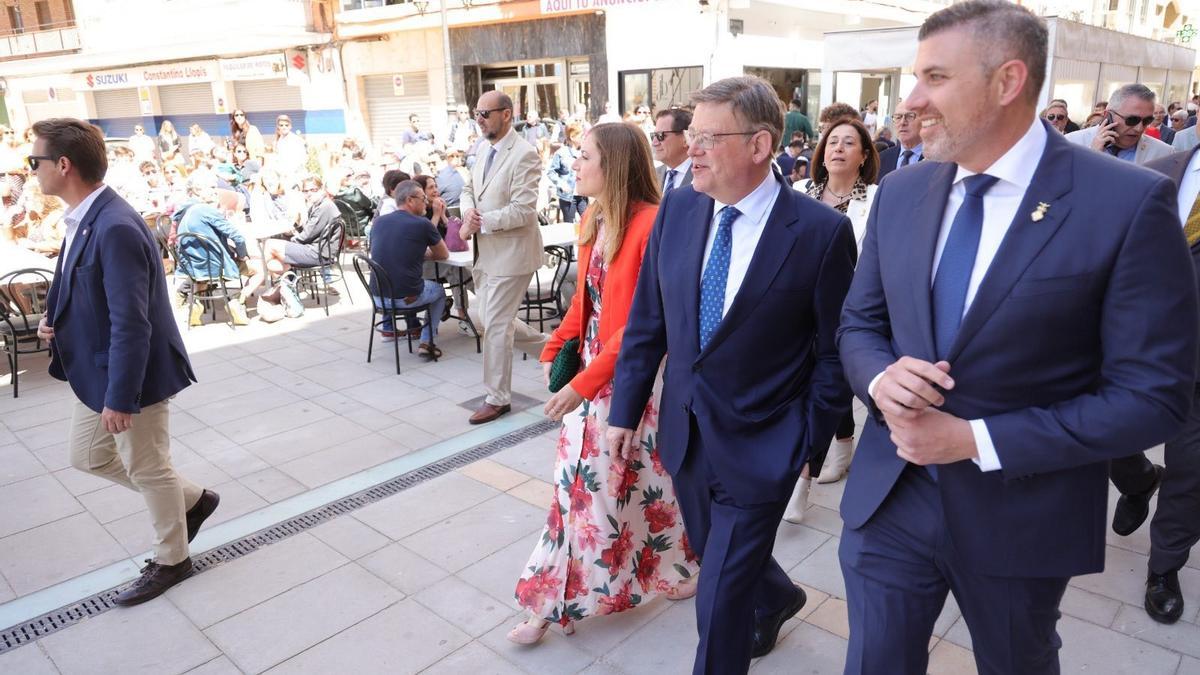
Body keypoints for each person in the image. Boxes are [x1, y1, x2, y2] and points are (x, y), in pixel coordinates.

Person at [836, 2, 1198, 672]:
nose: (912, 100)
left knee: (1017, 659)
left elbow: (1153, 397)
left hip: (1023, 510)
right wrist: (883, 378)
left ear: (1007, 81)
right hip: (892, 497)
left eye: (935, 78)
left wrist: (974, 438)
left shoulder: (1126, 202)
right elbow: (860, 323)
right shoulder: (901, 191)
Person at [608, 76, 856, 674]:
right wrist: (625, 409)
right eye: (689, 134)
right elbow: (649, 321)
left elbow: (835, 352)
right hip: (687, 435)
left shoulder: (820, 234)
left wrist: (810, 442)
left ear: (760, 144)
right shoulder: (680, 210)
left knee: (717, 597)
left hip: (766, 445)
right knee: (715, 551)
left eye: (707, 137)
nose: (688, 148)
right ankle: (779, 596)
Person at [509, 122, 699, 645]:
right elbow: (584, 301)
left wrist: (584, 384)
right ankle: (672, 569)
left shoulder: (650, 224)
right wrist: (558, 346)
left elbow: (642, 326)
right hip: (597, 375)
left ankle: (549, 604)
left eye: (585, 155)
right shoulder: (595, 216)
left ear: (611, 164)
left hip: (629, 381)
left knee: (610, 488)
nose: (575, 163)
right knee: (603, 488)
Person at [33, 118, 221, 606]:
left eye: (36, 161)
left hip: (129, 375)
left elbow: (131, 322)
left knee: (149, 466)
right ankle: (194, 501)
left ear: (64, 165)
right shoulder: (82, 217)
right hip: (95, 369)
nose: (32, 170)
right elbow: (76, 282)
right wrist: (52, 319)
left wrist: (123, 398)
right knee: (88, 455)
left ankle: (171, 559)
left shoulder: (113, 225)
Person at [1103, 145, 1200, 625]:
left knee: (1192, 469)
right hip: (1132, 348)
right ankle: (1138, 479)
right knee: (1099, 436)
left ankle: (1163, 569)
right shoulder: (1158, 172)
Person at [782, 117, 879, 524]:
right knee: (804, 387)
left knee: (831, 380)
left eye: (848, 143)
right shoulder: (800, 191)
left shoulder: (874, 198)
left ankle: (803, 479)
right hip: (798, 307)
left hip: (851, 308)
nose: (837, 148)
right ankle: (837, 446)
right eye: (832, 141)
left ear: (863, 156)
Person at [458, 90, 549, 425]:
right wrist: (468, 213)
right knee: (484, 316)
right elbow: (469, 190)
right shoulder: (484, 149)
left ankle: (498, 398)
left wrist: (481, 222)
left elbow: (524, 210)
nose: (479, 120)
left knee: (495, 325)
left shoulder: (524, 153)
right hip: (485, 253)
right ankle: (553, 349)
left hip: (512, 254)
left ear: (507, 114)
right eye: (476, 113)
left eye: (485, 114)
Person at [369, 180, 449, 357]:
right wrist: (426, 253)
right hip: (405, 298)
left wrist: (418, 252)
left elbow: (386, 251)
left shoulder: (379, 222)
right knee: (440, 292)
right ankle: (427, 341)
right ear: (410, 200)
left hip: (377, 297)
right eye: (423, 198)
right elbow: (443, 254)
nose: (426, 202)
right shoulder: (422, 224)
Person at [172, 174, 252, 326]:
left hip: (193, 265)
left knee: (203, 275)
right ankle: (236, 302)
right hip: (216, 264)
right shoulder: (205, 210)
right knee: (257, 269)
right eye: (211, 188)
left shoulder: (183, 211)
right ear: (197, 190)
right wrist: (243, 255)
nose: (215, 191)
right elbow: (238, 237)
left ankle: (194, 303)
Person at [1065, 83, 1174, 164]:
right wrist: (1091, 157)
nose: (1139, 128)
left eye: (1147, 121)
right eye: (1132, 120)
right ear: (1108, 115)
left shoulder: (1163, 153)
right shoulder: (1071, 143)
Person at [546, 122, 587, 223]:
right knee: (569, 226)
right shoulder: (561, 153)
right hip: (568, 197)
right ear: (573, 137)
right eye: (581, 136)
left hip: (582, 195)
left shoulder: (585, 152)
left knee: (588, 223)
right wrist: (561, 184)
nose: (584, 138)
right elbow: (551, 172)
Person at [876, 100, 924, 184]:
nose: (902, 122)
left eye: (910, 116)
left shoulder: (937, 160)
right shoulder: (881, 159)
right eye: (898, 117)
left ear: (923, 120)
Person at [652, 108, 694, 198]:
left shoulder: (702, 175)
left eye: (661, 135)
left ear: (686, 137)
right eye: (653, 136)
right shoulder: (653, 175)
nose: (654, 142)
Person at [272, 114, 308, 179]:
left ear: (290, 126)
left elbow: (302, 159)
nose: (284, 127)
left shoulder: (296, 140)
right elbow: (277, 160)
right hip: (283, 176)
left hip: (296, 175)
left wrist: (292, 173)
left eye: (286, 125)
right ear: (278, 127)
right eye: (281, 125)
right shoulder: (278, 141)